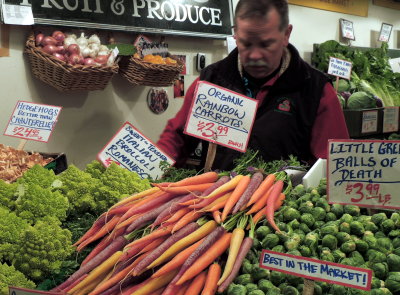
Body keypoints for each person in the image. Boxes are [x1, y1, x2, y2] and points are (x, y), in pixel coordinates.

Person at [157, 0, 349, 170]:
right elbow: (176, 138)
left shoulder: (316, 89)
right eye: (246, 44)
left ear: (286, 34)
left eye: (266, 44)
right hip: (215, 202)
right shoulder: (212, 79)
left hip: (282, 205)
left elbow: (332, 163)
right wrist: (154, 169)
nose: (255, 55)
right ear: (235, 34)